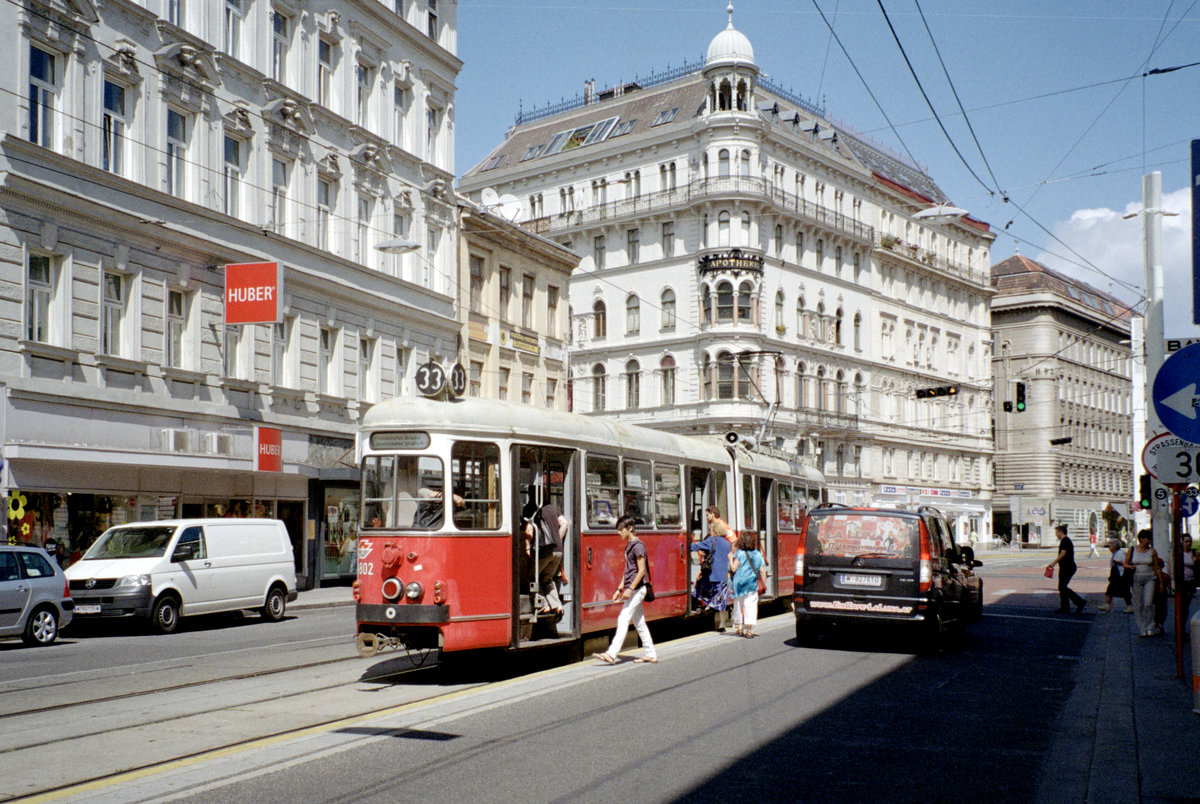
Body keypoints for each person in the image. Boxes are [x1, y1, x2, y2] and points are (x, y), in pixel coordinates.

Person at [593, 515, 657, 665]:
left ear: (630, 529)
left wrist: (630, 589)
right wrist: (620, 588)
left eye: (621, 530)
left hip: (638, 589)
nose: (618, 533)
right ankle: (650, 653)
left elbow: (641, 571)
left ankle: (611, 653)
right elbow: (628, 570)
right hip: (632, 588)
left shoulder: (638, 546)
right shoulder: (630, 546)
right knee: (639, 622)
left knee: (623, 618)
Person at [523, 489, 568, 618]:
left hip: (544, 551)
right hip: (558, 550)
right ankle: (557, 605)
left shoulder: (530, 508)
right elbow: (564, 524)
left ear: (532, 495)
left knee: (532, 577)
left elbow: (529, 531)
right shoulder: (553, 508)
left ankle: (543, 605)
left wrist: (527, 547)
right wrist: (557, 541)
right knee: (547, 578)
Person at [690, 507, 733, 618]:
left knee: (701, 586)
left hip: (712, 574)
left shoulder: (711, 540)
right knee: (721, 599)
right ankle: (721, 622)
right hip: (724, 575)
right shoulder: (727, 543)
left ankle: (707, 605)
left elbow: (695, 546)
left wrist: (683, 545)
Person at [1124, 529, 1163, 637]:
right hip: (1137, 578)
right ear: (1141, 539)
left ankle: (1150, 626)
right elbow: (1125, 563)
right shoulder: (1132, 550)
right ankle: (1142, 628)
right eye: (1147, 539)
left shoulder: (1152, 551)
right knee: (1138, 604)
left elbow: (1156, 567)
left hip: (1150, 578)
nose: (1149, 541)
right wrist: (1130, 566)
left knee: (1148, 603)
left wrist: (1160, 582)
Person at [728, 531, 767, 637]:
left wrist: (730, 559)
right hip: (752, 585)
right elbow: (762, 571)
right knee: (751, 606)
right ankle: (748, 630)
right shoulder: (758, 554)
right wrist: (764, 583)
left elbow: (733, 568)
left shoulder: (739, 553)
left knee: (739, 606)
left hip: (739, 584)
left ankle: (740, 627)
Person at [1046, 523, 1085, 614]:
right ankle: (1065, 607)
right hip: (1066, 567)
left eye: (1056, 532)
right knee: (1062, 587)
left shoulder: (1065, 541)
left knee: (1062, 587)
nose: (1056, 534)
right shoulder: (1065, 540)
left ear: (1061, 532)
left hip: (1068, 567)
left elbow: (1063, 553)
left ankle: (1079, 602)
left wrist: (1053, 563)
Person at [1100, 539, 1132, 613]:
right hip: (1116, 575)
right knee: (1110, 590)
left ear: (1114, 546)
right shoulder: (1116, 553)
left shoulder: (1119, 553)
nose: (1109, 548)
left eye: (1110, 546)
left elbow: (1123, 562)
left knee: (1124, 591)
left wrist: (1116, 561)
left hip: (1120, 575)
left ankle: (1130, 606)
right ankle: (1107, 605)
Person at [1152, 557, 1172, 636]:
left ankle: (1157, 625)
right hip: (1162, 596)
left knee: (1156, 611)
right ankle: (1160, 625)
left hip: (1156, 595)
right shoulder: (1165, 576)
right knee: (1162, 611)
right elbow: (1169, 587)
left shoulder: (1152, 575)